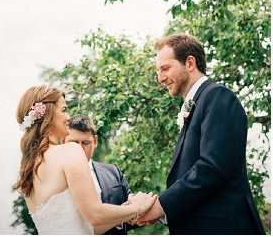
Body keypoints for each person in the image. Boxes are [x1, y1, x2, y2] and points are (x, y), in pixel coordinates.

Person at [137, 33, 265, 234]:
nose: (160, 78)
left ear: (189, 63)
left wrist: (161, 206)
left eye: (165, 68)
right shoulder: (198, 103)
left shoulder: (218, 97)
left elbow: (212, 167)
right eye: (158, 71)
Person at [14, 85, 156, 235]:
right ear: (48, 115)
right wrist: (139, 207)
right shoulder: (70, 151)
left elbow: (88, 227)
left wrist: (125, 211)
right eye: (64, 110)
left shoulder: (28, 171)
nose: (68, 117)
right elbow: (95, 215)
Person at [66, 115, 135, 235]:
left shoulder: (113, 172)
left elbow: (131, 212)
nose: (80, 149)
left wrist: (139, 205)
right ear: (64, 142)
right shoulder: (57, 178)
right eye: (74, 143)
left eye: (85, 143)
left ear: (95, 142)